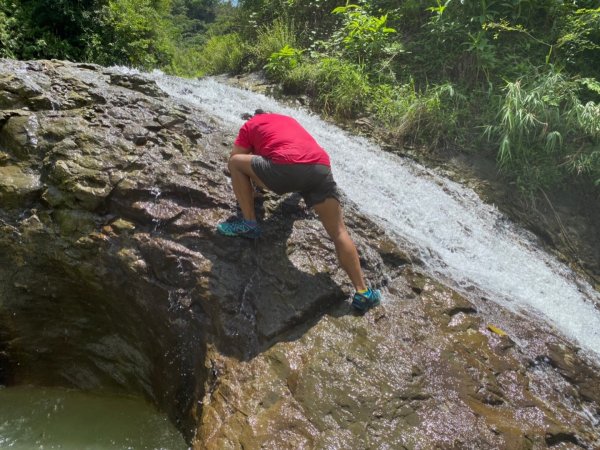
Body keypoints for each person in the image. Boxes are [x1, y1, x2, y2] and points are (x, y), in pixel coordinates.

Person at [217, 110, 381, 312]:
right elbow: (297, 153)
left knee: (235, 164)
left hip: (286, 168)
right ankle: (363, 292)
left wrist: (251, 186)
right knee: (339, 232)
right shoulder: (287, 119)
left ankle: (249, 224)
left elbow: (236, 157)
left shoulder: (250, 125)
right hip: (320, 167)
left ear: (253, 117)